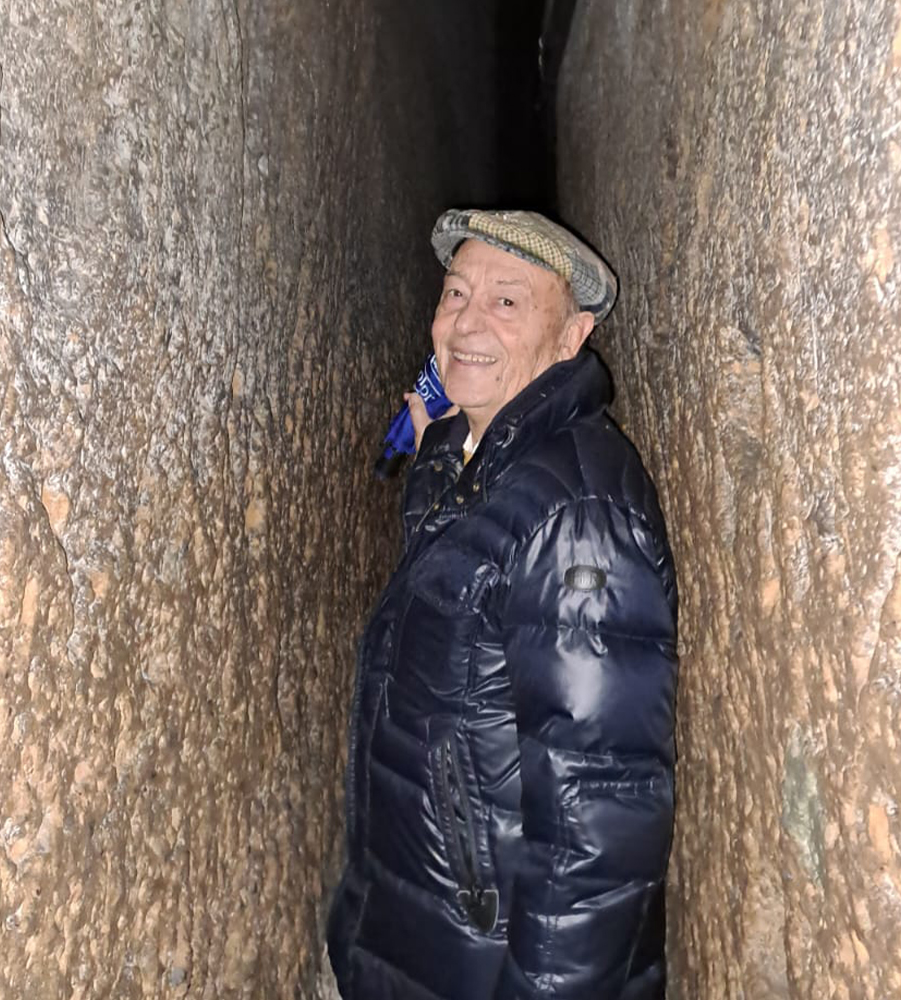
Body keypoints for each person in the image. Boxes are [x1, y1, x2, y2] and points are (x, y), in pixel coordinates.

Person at [327, 209, 679, 1000]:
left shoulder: (578, 518)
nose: (466, 322)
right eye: (456, 293)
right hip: (426, 942)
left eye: (507, 301)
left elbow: (598, 825)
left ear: (572, 336)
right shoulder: (484, 465)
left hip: (485, 966)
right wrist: (435, 453)